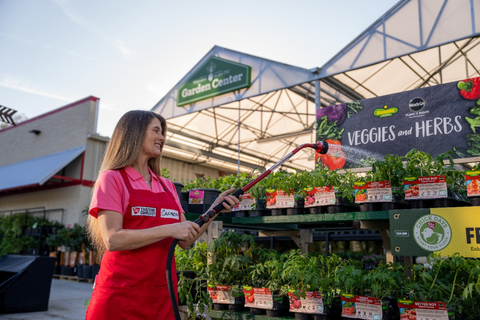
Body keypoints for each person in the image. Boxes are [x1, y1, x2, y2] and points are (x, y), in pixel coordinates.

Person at [85, 110, 241, 319]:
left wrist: (214, 208)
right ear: (134, 133)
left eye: (162, 132)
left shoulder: (166, 186)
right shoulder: (113, 179)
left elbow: (185, 240)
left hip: (161, 294)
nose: (162, 138)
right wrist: (170, 228)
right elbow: (112, 239)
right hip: (120, 293)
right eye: (156, 131)